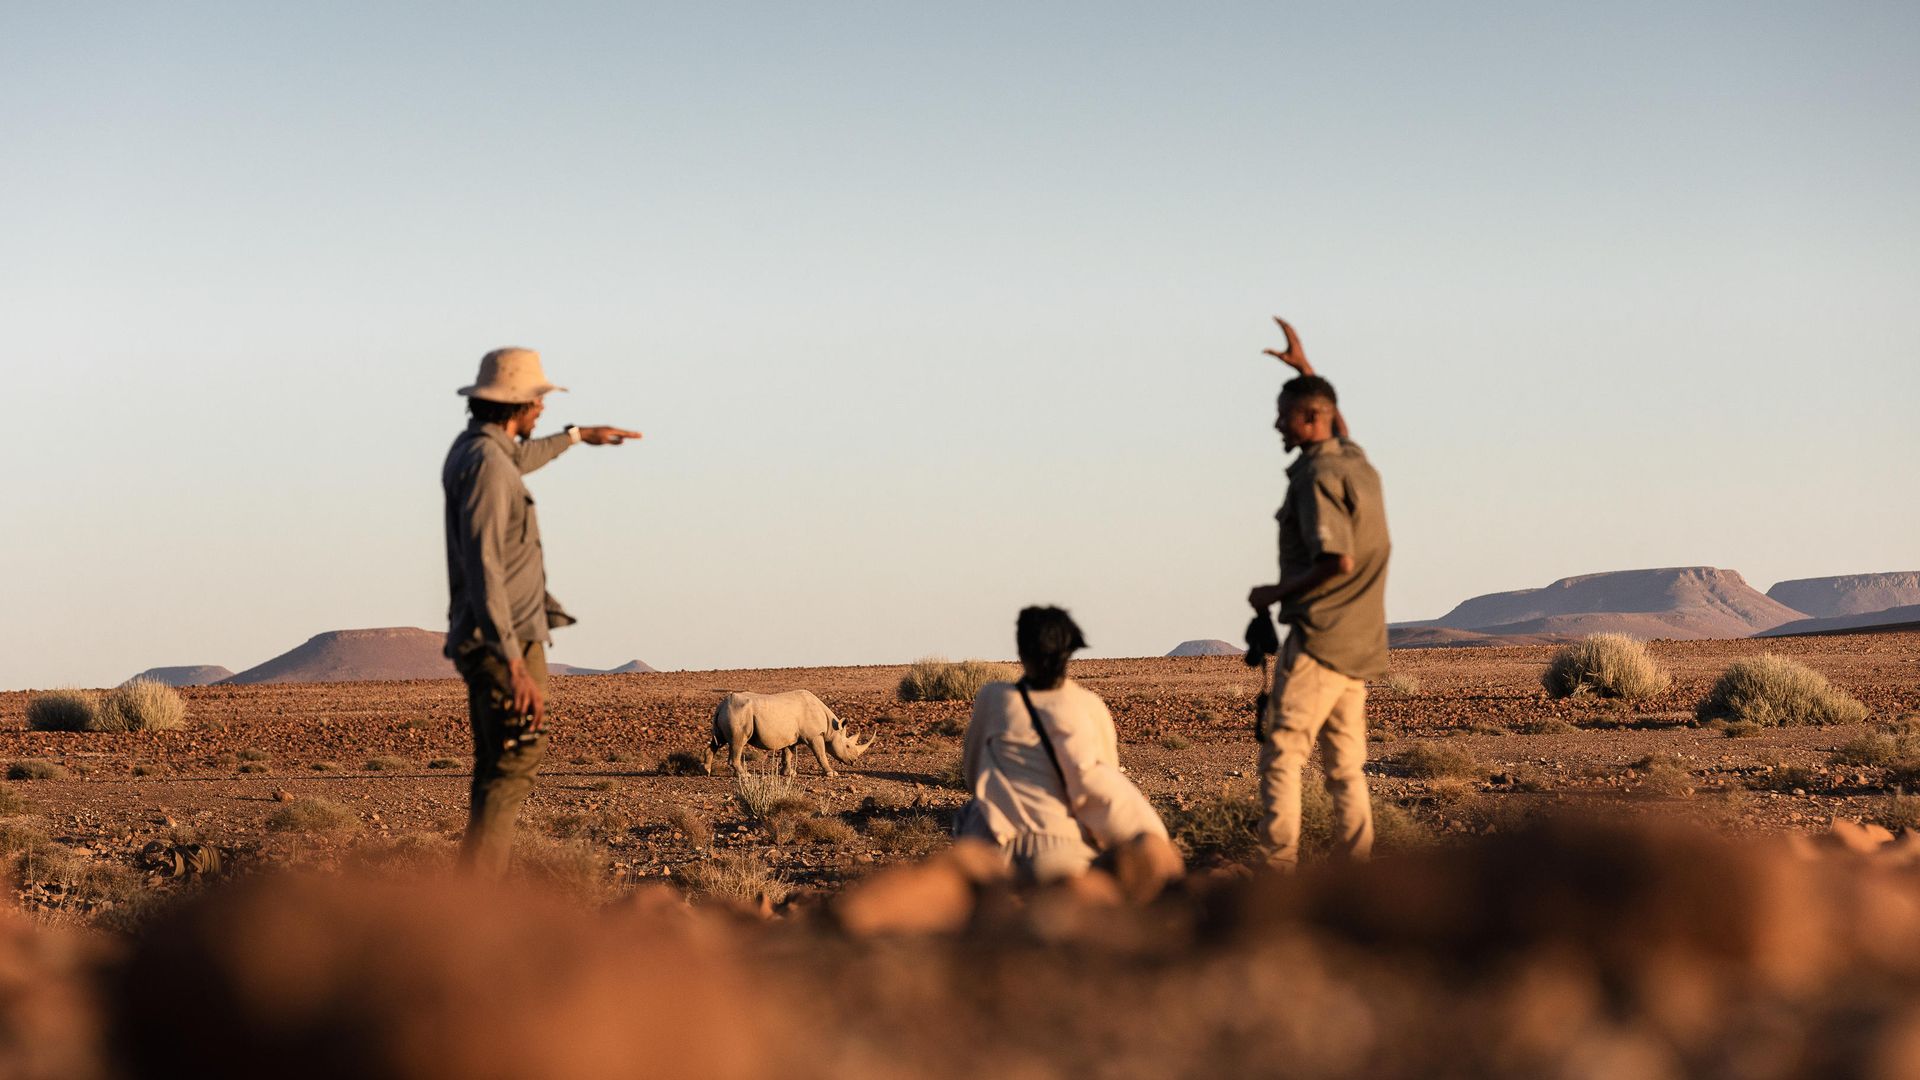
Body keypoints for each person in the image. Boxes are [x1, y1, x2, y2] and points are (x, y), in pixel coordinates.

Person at [443, 347, 642, 878]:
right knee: (513, 763)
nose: (542, 411)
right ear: (518, 405)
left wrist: (577, 437)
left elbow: (522, 460)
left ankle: (471, 902)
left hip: (498, 634)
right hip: (502, 640)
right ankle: (476, 908)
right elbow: (486, 565)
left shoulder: (481, 451)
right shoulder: (487, 465)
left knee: (499, 765)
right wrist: (511, 662)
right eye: (538, 402)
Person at [1247, 318, 1391, 870]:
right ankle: (1357, 872)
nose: (1277, 425)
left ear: (1310, 419)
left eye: (1286, 417)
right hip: (1358, 645)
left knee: (1283, 753)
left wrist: (1272, 593)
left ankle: (1275, 869)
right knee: (1345, 768)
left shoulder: (1316, 478)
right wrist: (1306, 370)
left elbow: (1337, 560)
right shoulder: (1355, 463)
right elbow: (1338, 427)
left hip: (1320, 641)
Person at [959, 606, 1181, 887]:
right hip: (1062, 847)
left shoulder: (993, 699)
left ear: (1021, 650)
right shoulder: (1088, 706)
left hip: (994, 846)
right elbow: (1104, 773)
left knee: (969, 814)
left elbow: (972, 769)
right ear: (1070, 651)